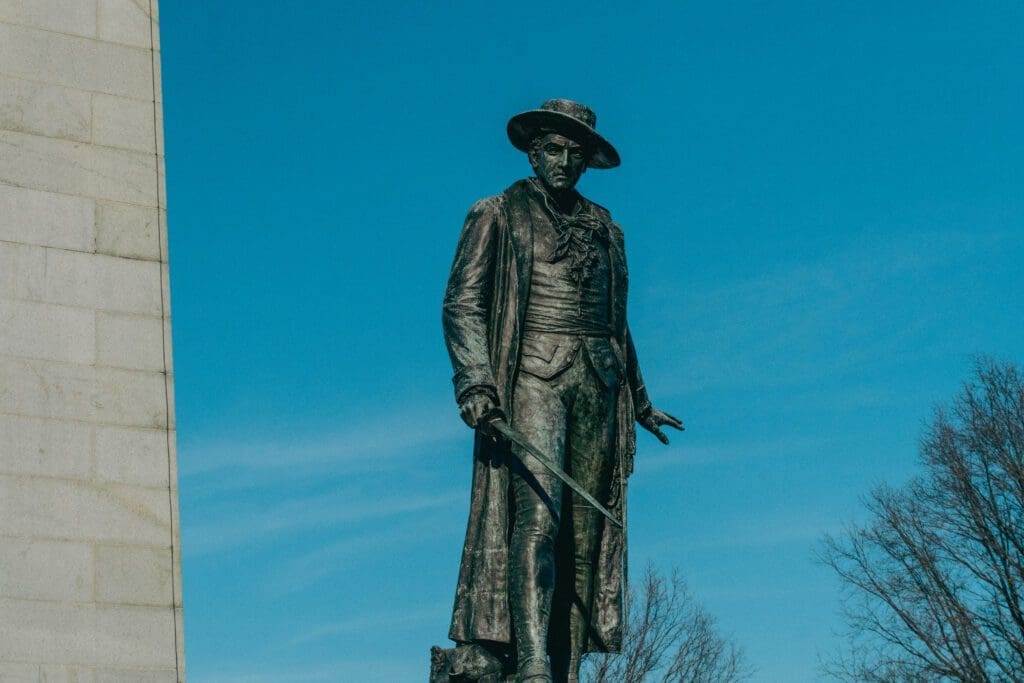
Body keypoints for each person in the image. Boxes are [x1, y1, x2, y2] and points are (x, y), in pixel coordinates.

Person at [442, 98, 682, 683]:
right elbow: (462, 303)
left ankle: (567, 668)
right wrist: (474, 379)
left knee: (585, 533)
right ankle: (530, 665)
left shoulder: (606, 227)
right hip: (532, 378)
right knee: (540, 519)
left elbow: (617, 323)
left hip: (598, 381)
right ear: (534, 150)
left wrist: (640, 399)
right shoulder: (498, 212)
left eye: (576, 153)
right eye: (554, 149)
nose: (564, 161)